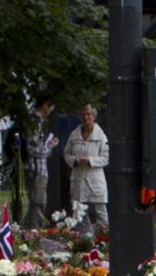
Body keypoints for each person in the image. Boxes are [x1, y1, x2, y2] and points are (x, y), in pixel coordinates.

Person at [62, 104, 111, 234]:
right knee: (79, 212)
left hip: (95, 178)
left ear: (94, 116)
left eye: (89, 114)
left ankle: (104, 239)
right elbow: (66, 154)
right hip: (78, 177)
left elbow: (106, 158)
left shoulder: (101, 136)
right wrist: (75, 160)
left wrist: (90, 160)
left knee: (100, 211)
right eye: (83, 114)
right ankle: (84, 241)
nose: (86, 117)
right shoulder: (74, 135)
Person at [25, 98, 60, 228]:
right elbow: (32, 148)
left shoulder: (34, 120)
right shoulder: (35, 121)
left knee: (36, 203)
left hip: (36, 169)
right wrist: (50, 147)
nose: (52, 110)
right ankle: (34, 234)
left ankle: (29, 230)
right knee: (38, 204)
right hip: (37, 170)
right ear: (45, 105)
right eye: (51, 107)